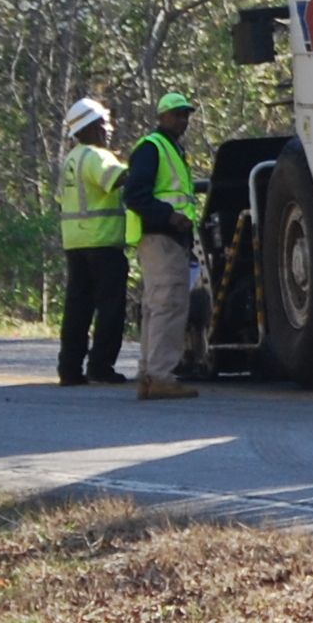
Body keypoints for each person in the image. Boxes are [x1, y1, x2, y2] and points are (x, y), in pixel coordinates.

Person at [120, 92, 206, 401]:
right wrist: (169, 216)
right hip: (161, 237)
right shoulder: (152, 148)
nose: (183, 120)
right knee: (169, 306)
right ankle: (160, 376)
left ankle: (149, 375)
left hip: (169, 239)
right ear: (161, 117)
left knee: (157, 306)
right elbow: (134, 195)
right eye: (177, 114)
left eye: (186, 115)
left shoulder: (172, 149)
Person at [54, 98, 133, 387]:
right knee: (110, 308)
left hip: (76, 243)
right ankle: (101, 366)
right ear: (89, 127)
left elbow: (62, 198)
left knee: (78, 308)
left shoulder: (71, 159)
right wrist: (140, 165)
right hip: (103, 241)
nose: (109, 129)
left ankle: (70, 368)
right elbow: (119, 179)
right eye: (103, 123)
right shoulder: (97, 156)